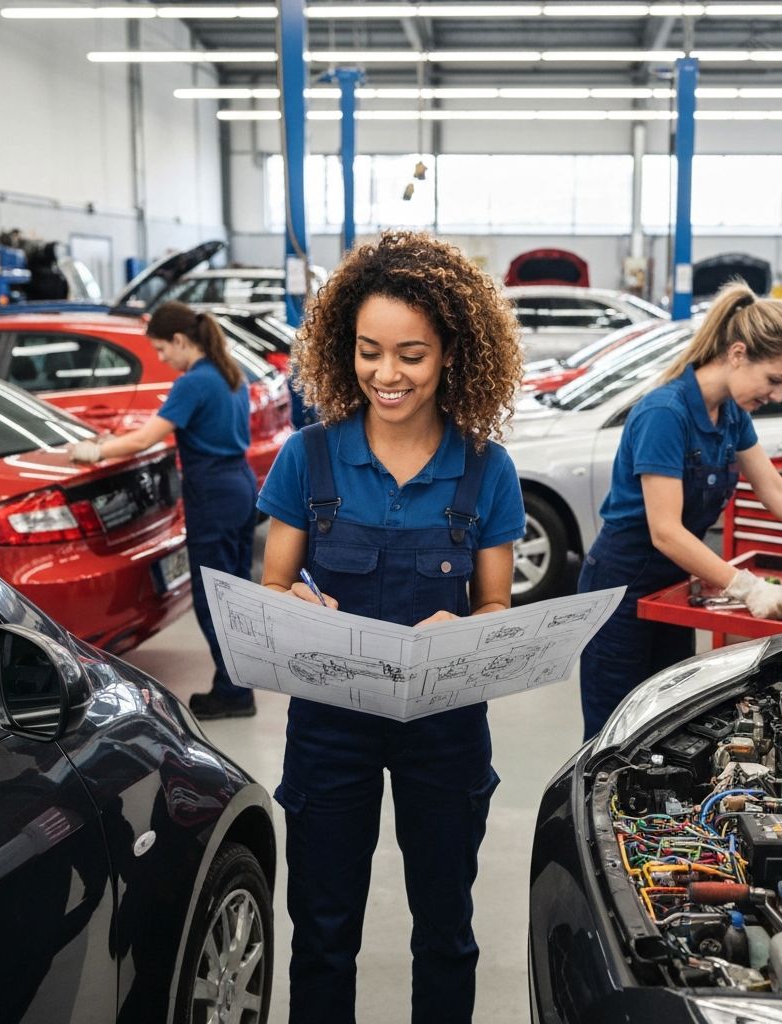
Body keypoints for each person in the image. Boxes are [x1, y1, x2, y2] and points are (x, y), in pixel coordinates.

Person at [257, 230, 525, 1024]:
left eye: (411, 354)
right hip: (329, 725)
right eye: (369, 352)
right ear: (346, 349)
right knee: (323, 929)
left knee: (446, 929)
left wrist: (469, 626)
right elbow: (273, 582)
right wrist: (292, 604)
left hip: (443, 727)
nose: (387, 374)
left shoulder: (486, 467)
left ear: (452, 353)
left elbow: (498, 606)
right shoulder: (309, 458)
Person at [578, 281, 782, 741]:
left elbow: (774, 488)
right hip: (619, 588)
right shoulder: (665, 414)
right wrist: (744, 586)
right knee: (614, 731)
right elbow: (665, 531)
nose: (780, 394)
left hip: (671, 584)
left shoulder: (729, 413)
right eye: (775, 379)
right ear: (738, 353)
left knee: (666, 718)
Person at [69, 301, 258, 719]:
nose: (161, 359)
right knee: (238, 593)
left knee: (214, 597)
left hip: (212, 492)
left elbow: (144, 440)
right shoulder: (230, 375)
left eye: (161, 349)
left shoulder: (193, 383)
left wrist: (94, 450)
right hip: (241, 486)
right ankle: (240, 681)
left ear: (179, 340)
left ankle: (233, 693)